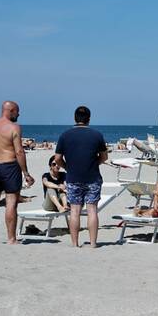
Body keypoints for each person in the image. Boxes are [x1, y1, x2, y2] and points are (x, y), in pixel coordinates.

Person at [0, 101, 35, 244]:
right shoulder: (14, 127)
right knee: (11, 202)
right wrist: (26, 173)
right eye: (17, 111)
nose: (19, 114)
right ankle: (11, 238)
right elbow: (19, 151)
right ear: (10, 111)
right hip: (9, 166)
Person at [55, 106, 108, 248]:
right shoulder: (97, 135)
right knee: (92, 210)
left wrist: (67, 167)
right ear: (89, 119)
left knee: (75, 211)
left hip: (73, 177)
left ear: (74, 118)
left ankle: (74, 243)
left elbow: (58, 158)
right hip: (92, 177)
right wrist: (95, 163)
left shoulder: (65, 135)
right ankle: (92, 243)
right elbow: (104, 157)